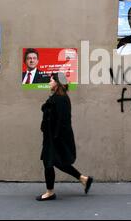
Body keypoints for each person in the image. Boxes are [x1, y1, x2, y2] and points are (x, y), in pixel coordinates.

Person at [37, 72, 93, 201]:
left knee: (49, 162)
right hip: (52, 136)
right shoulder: (57, 97)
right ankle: (83, 179)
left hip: (55, 138)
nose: (49, 82)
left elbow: (63, 121)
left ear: (57, 83)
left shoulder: (61, 99)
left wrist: (55, 138)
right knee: (56, 162)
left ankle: (50, 192)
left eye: (51, 80)